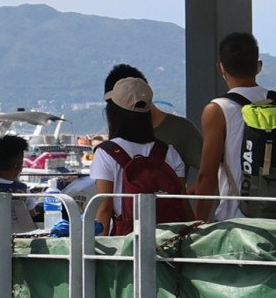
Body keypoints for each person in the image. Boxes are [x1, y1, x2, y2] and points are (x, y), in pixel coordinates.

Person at [195, 33, 276, 219]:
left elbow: (207, 174)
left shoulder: (218, 110)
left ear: (221, 68)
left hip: (238, 220)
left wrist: (197, 222)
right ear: (258, 66)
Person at [79, 68, 194, 231]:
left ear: (113, 111)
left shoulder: (106, 153)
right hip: (168, 238)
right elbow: (180, 201)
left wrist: (98, 249)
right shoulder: (169, 152)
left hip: (128, 241)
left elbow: (104, 208)